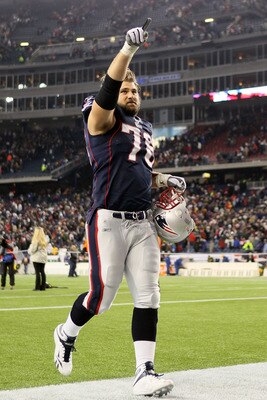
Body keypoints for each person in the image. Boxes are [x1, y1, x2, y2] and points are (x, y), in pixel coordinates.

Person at [53, 20, 187, 397]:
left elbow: (139, 171)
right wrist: (127, 50)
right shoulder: (102, 117)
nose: (130, 92)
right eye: (125, 88)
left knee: (149, 295)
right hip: (108, 219)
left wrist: (165, 179)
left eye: (135, 89)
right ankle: (65, 333)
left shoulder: (144, 127)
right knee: (101, 298)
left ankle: (145, 371)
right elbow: (105, 99)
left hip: (143, 221)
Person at [28, 227, 48, 291]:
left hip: (37, 257)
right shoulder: (45, 240)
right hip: (43, 257)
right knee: (42, 272)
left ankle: (37, 287)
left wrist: (29, 251)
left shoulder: (36, 240)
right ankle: (43, 287)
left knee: (37, 272)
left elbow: (33, 250)